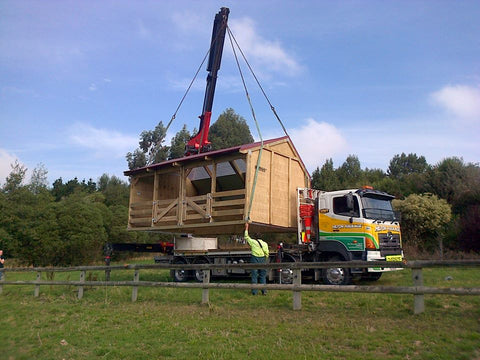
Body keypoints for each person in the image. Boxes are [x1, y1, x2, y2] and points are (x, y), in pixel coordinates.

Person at [244, 223, 269, 295]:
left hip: (255, 259)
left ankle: (254, 292)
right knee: (262, 276)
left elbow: (246, 237)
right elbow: (267, 253)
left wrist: (246, 227)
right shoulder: (265, 244)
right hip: (263, 259)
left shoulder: (253, 242)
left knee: (254, 275)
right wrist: (265, 258)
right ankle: (264, 291)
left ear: (255, 237)